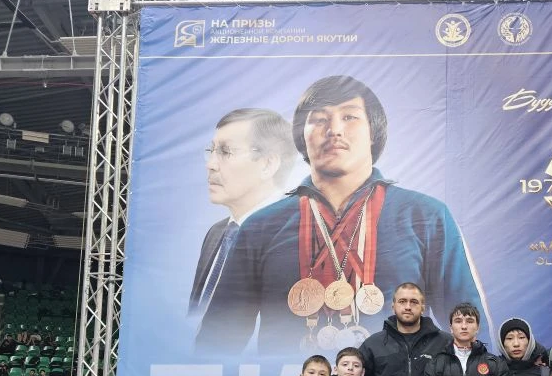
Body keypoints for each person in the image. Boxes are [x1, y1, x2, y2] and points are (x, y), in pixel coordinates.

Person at [198, 75, 487, 354]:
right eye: (319, 119)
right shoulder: (260, 226)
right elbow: (217, 342)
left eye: (349, 116)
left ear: (373, 133)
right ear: (301, 136)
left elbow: (468, 327)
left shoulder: (426, 216)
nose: (334, 130)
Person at [190, 108, 297, 320]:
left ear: (268, 164)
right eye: (211, 151)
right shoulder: (217, 233)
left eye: (226, 152)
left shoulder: (293, 239)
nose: (210, 165)